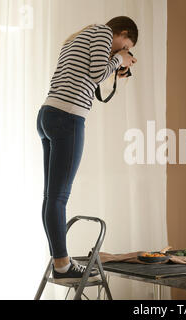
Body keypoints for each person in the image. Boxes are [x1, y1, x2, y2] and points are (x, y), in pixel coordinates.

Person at [36, 16, 138, 283]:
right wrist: (120, 60)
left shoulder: (79, 37)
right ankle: (62, 265)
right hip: (68, 118)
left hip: (48, 114)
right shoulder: (104, 33)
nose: (122, 50)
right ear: (123, 33)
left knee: (51, 197)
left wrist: (117, 65)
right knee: (58, 198)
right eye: (125, 45)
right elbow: (95, 74)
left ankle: (60, 261)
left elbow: (86, 75)